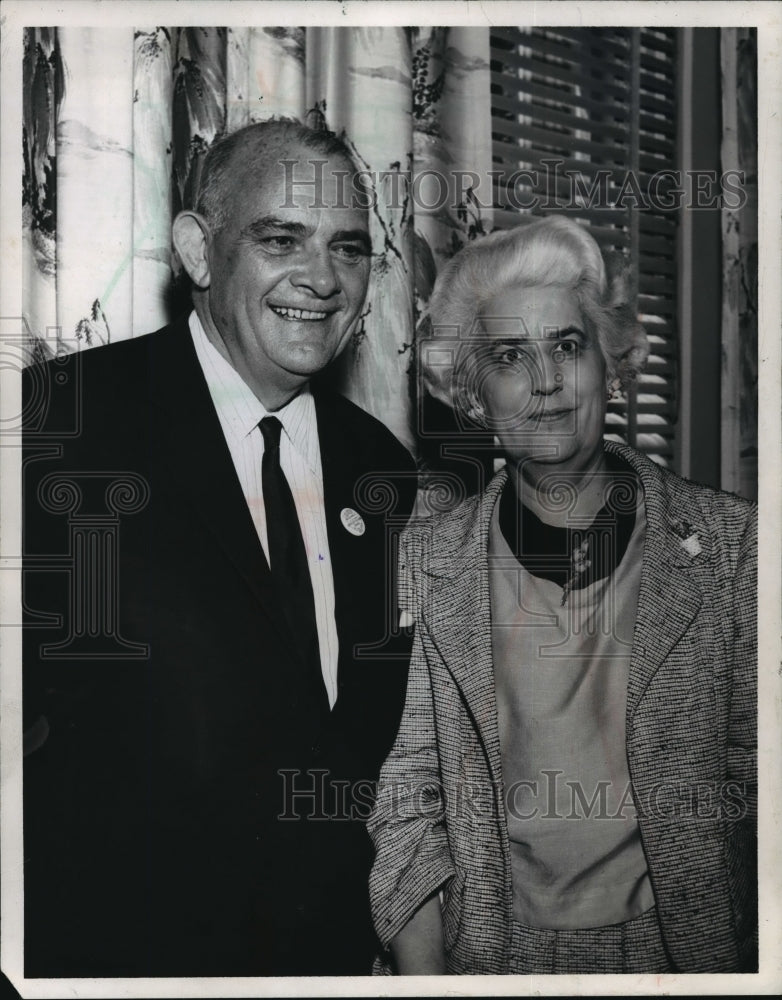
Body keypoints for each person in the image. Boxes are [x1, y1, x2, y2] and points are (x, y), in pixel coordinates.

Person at [22, 119, 417, 977]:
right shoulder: (63, 423)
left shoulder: (381, 470)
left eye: (348, 250)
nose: (321, 279)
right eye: (282, 239)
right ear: (199, 251)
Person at [368, 215, 757, 975]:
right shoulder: (422, 562)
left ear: (611, 368)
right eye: (511, 356)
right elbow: (408, 797)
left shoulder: (736, 549)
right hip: (487, 951)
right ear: (473, 397)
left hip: (684, 951)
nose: (545, 380)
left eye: (568, 346)